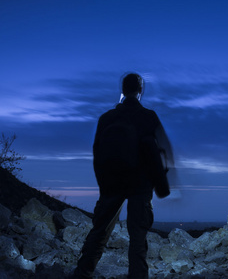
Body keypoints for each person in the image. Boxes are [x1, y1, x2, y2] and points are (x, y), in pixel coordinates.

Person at [73, 73, 173, 279]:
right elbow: (165, 149)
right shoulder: (148, 117)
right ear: (140, 90)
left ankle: (82, 274)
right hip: (140, 186)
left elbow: (97, 154)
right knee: (138, 238)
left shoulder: (106, 118)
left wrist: (104, 185)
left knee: (100, 232)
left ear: (122, 90)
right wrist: (161, 179)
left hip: (111, 184)